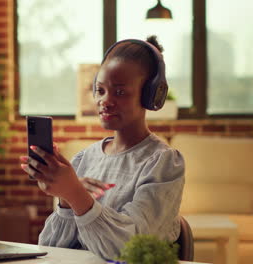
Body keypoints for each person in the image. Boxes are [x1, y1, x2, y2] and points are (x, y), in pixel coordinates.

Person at [19, 36, 185, 260]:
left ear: (150, 96)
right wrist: (66, 200)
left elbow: (131, 250)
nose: (104, 101)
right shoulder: (83, 159)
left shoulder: (163, 162)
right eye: (100, 90)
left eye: (119, 92)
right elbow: (51, 248)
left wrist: (76, 194)